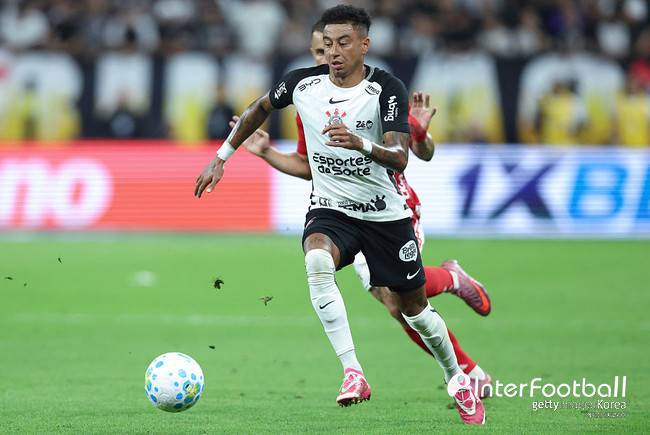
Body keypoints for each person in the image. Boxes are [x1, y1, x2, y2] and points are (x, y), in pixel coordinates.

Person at [195, 5, 485, 424]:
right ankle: (353, 372)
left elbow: (404, 156)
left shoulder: (386, 88)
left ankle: (457, 375)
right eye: (326, 45)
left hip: (385, 212)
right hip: (332, 209)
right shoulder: (304, 87)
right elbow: (263, 112)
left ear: (364, 45)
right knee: (317, 259)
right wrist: (223, 157)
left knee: (411, 309)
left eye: (342, 43)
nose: (332, 53)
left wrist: (363, 142)